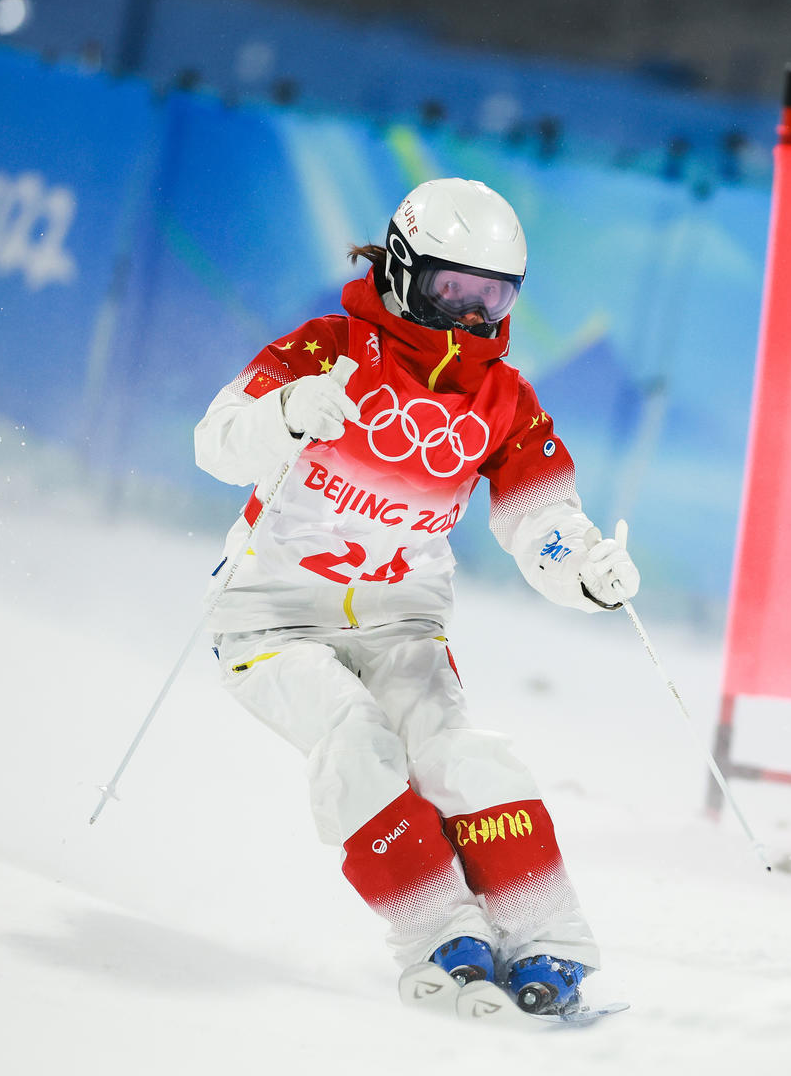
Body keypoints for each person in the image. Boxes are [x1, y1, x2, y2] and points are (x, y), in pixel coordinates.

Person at [193, 177, 640, 1015]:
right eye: (451, 291)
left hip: (403, 623)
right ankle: (439, 931)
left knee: (461, 754)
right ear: (403, 270)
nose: (472, 317)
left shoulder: (503, 398)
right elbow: (217, 443)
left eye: (492, 297)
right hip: (271, 619)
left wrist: (582, 567)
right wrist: (286, 410)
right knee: (355, 738)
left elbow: (540, 515)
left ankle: (546, 941)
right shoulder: (327, 350)